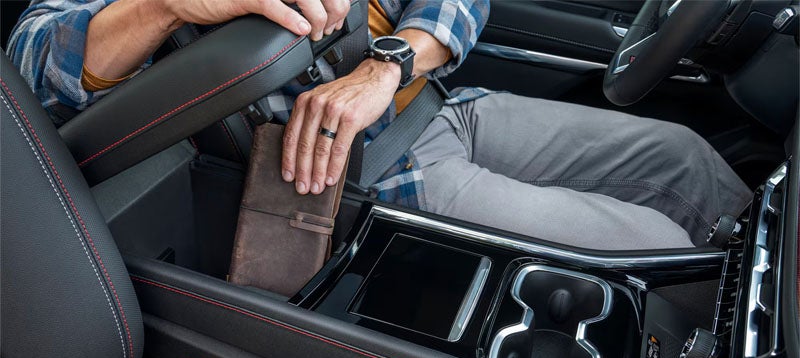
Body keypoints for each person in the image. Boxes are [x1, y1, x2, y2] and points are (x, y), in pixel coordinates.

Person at [7, 0, 752, 250]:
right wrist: (165, 6)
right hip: (351, 179)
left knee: (684, 159)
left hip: (431, 107)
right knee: (656, 247)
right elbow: (30, 63)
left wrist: (389, 63)